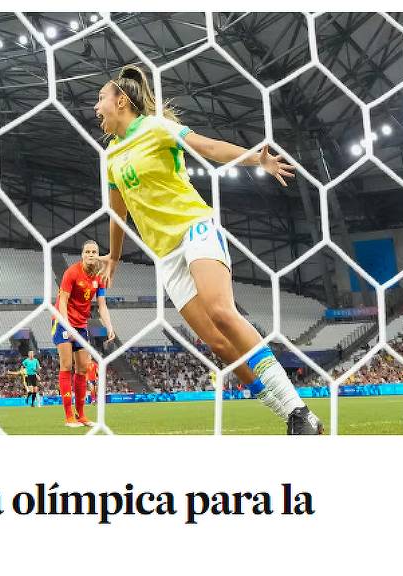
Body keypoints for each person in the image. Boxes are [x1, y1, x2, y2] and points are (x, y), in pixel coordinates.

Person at [93, 64, 322, 435]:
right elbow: (117, 212)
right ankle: (289, 417)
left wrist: (255, 158)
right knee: (217, 342)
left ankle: (299, 410)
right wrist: (114, 257)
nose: (95, 107)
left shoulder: (155, 128)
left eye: (100, 99)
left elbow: (207, 146)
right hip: (166, 256)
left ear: (121, 101)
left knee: (221, 312)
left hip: (194, 229)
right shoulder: (111, 156)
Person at [53, 240, 116, 427]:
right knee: (66, 366)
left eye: (94, 251)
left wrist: (109, 326)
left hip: (81, 324)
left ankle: (81, 415)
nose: (90, 254)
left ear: (97, 254)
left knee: (82, 368)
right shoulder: (71, 272)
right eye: (87, 251)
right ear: (82, 254)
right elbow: (63, 301)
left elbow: (102, 305)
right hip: (63, 320)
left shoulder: (100, 277)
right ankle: (68, 417)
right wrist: (67, 326)